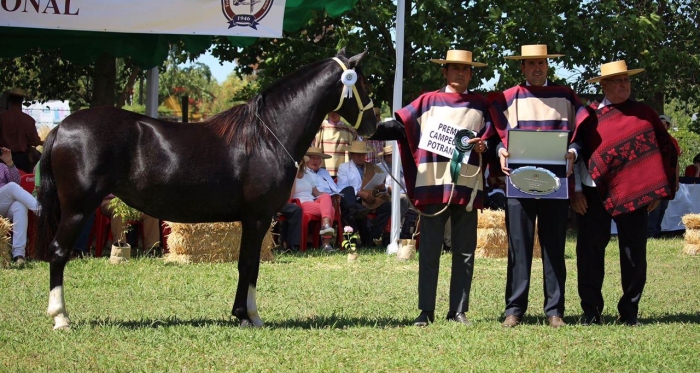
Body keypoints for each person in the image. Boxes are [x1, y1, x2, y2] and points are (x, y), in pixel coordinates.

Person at [370, 49, 491, 326]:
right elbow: (401, 125)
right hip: (433, 185)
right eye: (454, 68)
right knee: (430, 251)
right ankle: (426, 311)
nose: (460, 73)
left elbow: (494, 136)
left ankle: (458, 310)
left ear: (471, 73)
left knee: (464, 251)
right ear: (445, 71)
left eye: (465, 69)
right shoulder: (427, 101)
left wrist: (487, 144)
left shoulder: (482, 104)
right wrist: (368, 129)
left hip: (467, 186)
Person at [572, 60, 678, 326]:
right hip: (592, 192)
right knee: (589, 252)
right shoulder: (588, 117)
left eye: (626, 81)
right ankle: (591, 312)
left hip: (634, 193)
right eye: (617, 81)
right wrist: (575, 191)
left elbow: (665, 148)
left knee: (634, 252)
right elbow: (575, 155)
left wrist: (654, 189)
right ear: (603, 85)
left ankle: (629, 312)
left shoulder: (644, 113)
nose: (623, 85)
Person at [489, 45, 589, 328]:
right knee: (519, 246)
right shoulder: (507, 98)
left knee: (554, 246)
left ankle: (555, 310)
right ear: (522, 67)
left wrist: (573, 152)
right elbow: (493, 133)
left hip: (555, 182)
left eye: (541, 63)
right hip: (518, 180)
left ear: (548, 66)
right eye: (531, 63)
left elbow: (581, 135)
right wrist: (499, 150)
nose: (537, 68)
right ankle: (514, 309)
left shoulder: (565, 96)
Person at [336, 140, 390, 246]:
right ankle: (359, 237)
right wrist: (360, 193)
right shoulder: (344, 167)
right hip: (354, 199)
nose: (361, 157)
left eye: (363, 154)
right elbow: (342, 188)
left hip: (371, 198)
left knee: (388, 206)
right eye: (358, 155)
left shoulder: (372, 167)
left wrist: (382, 187)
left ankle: (372, 235)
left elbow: (381, 185)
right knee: (354, 209)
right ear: (352, 155)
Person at [0, 147, 41, 264]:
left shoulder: (2, 167)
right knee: (11, 187)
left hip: (3, 204)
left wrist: (9, 163)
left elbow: (18, 183)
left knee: (20, 206)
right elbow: (13, 187)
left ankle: (18, 255)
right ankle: (40, 209)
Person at [289, 155, 336, 251]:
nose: (300, 163)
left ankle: (325, 226)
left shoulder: (308, 175)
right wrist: (293, 175)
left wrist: (329, 196)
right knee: (331, 210)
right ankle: (326, 243)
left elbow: (316, 193)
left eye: (301, 161)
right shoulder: (290, 176)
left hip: (311, 201)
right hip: (299, 203)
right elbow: (290, 195)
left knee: (326, 196)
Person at [647, 114, 680, 237]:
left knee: (663, 206)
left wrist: (676, 181)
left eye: (664, 123)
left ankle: (657, 230)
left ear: (668, 125)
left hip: (669, 179)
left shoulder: (673, 142)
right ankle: (651, 231)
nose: (661, 125)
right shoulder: (652, 139)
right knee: (655, 205)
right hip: (656, 179)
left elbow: (676, 162)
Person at [0, 88, 43, 174]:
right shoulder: (29, 120)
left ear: (10, 100)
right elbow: (34, 141)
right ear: (21, 101)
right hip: (23, 159)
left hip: (3, 157)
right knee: (22, 182)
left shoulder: (1, 118)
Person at [313, 111, 357, 177]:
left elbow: (355, 152)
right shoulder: (319, 128)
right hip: (322, 173)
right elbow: (313, 148)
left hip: (342, 174)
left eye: (337, 111)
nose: (334, 114)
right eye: (331, 111)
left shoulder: (349, 130)